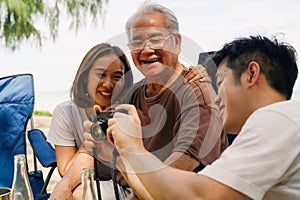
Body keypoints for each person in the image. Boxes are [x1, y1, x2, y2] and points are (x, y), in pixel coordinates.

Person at [85, 35, 300, 199]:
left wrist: (134, 147)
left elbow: (199, 194)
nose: (215, 99)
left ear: (251, 74)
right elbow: (171, 194)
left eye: (220, 81)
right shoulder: (277, 128)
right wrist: (124, 154)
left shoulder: (277, 118)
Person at [84, 1, 228, 198]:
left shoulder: (197, 94)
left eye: (156, 39)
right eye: (136, 43)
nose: (146, 49)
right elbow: (107, 156)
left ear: (177, 43)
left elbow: (178, 172)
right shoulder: (134, 93)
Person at [47, 42, 211, 200]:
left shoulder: (129, 106)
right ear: (85, 78)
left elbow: (165, 88)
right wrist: (95, 134)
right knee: (78, 191)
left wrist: (196, 73)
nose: (108, 84)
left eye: (117, 76)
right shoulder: (67, 112)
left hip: (132, 183)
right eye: (100, 74)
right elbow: (66, 170)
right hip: (102, 180)